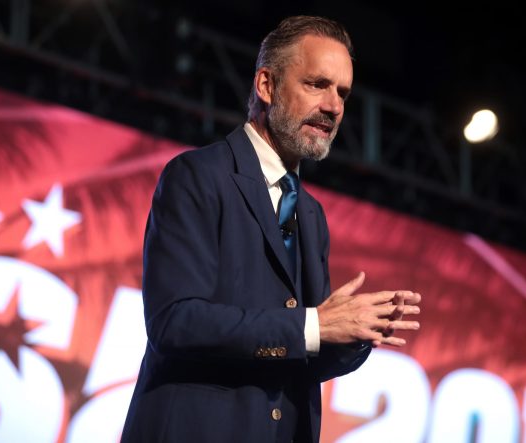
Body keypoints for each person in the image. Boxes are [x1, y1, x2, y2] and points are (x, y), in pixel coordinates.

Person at [121, 15, 421, 443]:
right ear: (266, 86)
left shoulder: (312, 215)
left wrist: (354, 333)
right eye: (317, 84)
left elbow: (302, 353)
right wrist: (315, 326)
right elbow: (176, 323)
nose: (334, 106)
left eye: (343, 93)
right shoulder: (197, 175)